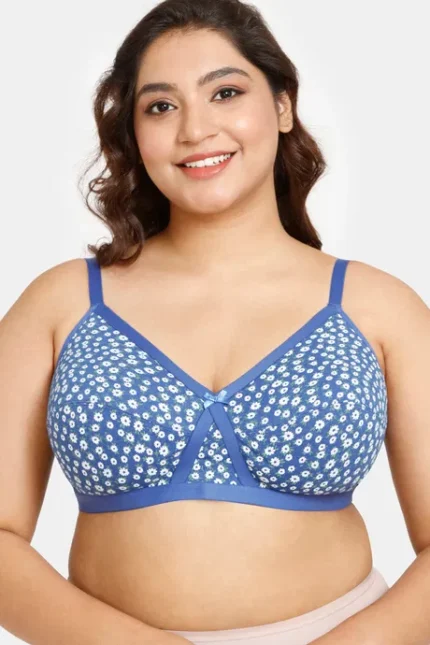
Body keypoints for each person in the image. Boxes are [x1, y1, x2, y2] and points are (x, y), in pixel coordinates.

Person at [0, 1, 429, 644]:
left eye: (225, 92)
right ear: (133, 134)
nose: (195, 129)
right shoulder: (62, 303)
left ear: (282, 106)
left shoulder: (380, 307)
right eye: (160, 106)